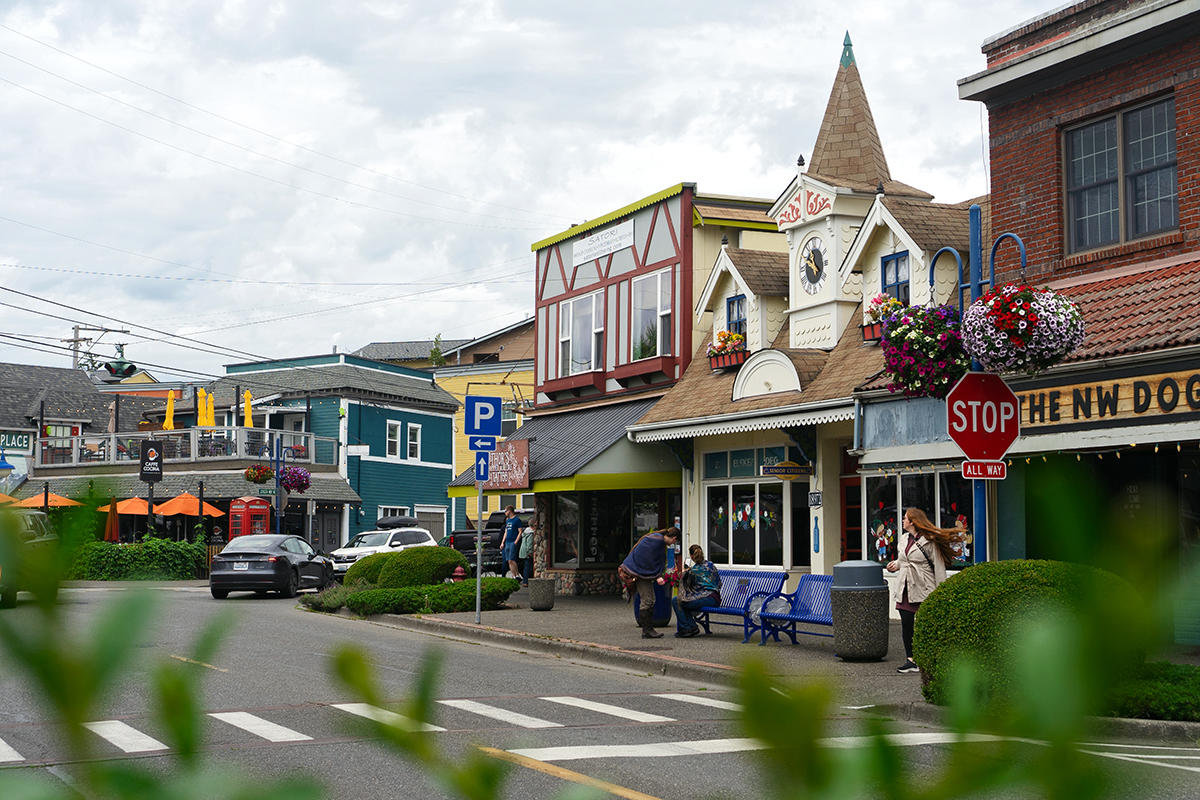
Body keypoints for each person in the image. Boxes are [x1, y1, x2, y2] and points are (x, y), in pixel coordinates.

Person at [886, 508, 965, 674]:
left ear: (912, 522)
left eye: (905, 518)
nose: (902, 521)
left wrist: (942, 592)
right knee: (906, 623)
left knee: (927, 625)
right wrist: (896, 565)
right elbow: (905, 559)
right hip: (905, 587)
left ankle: (933, 658)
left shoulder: (930, 540)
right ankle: (910, 660)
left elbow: (939, 567)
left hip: (924, 587)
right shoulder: (903, 538)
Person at [618, 527, 680, 639]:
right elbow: (648, 560)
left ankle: (648, 629)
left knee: (650, 599)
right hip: (638, 572)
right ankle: (646, 630)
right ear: (674, 538)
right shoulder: (656, 541)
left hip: (639, 570)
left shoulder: (656, 539)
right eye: (675, 542)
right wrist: (657, 577)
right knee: (647, 600)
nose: (673, 543)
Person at [671, 544, 721, 638]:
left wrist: (685, 572)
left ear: (691, 557)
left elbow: (686, 587)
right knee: (682, 602)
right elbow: (719, 583)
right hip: (715, 598)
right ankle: (691, 627)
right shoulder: (711, 565)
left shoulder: (693, 570)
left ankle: (687, 628)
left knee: (677, 601)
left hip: (705, 599)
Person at [500, 505, 522, 580]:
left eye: (505, 511)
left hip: (513, 541)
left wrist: (516, 541)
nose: (505, 513)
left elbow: (520, 531)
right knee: (508, 560)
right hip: (507, 542)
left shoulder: (516, 520)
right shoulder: (508, 521)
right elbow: (506, 532)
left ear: (509, 511)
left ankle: (517, 574)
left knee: (512, 559)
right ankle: (514, 575)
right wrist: (502, 542)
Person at [518, 520, 535, 586]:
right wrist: (530, 552)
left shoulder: (525, 532)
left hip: (522, 551)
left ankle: (525, 581)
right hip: (527, 552)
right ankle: (526, 581)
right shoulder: (531, 533)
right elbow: (530, 543)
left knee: (526, 566)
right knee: (528, 567)